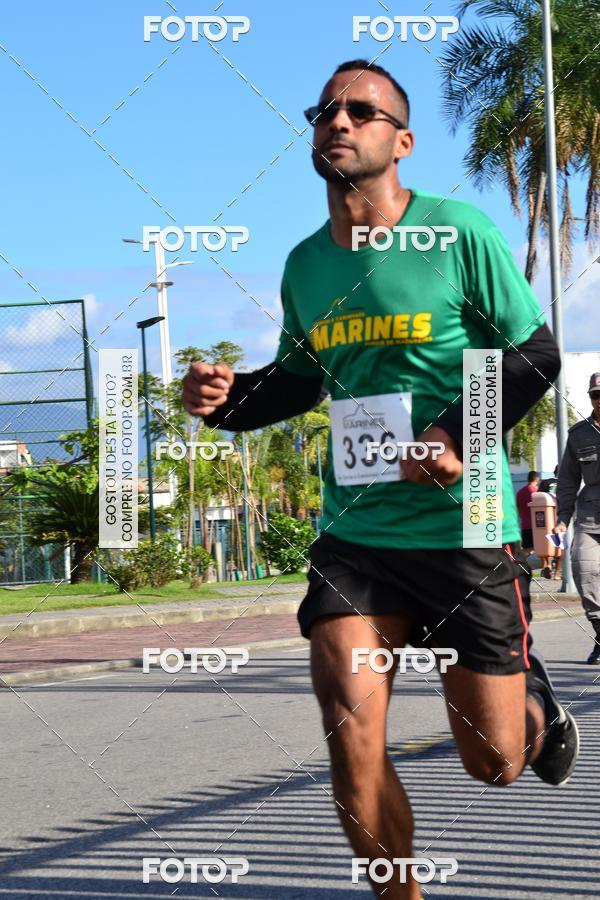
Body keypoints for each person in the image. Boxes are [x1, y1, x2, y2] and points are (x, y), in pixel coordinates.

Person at [183, 61, 579, 899]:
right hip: (356, 537)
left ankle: (537, 718)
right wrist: (227, 400)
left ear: (399, 141)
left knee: (494, 761)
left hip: (462, 521)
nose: (338, 119)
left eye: (361, 110)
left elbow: (535, 355)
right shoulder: (304, 265)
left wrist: (453, 434)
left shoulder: (457, 232)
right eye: (325, 108)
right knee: (353, 746)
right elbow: (299, 381)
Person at [554, 374, 600, 664]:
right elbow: (568, 480)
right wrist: (562, 518)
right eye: (596, 395)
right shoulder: (579, 434)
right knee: (584, 573)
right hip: (590, 518)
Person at [516, 470, 540, 555]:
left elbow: (518, 508)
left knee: (527, 549)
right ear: (537, 479)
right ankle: (546, 566)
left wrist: (523, 517)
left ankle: (516, 563)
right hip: (536, 526)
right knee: (541, 548)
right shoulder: (536, 493)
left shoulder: (520, 492)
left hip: (525, 526)